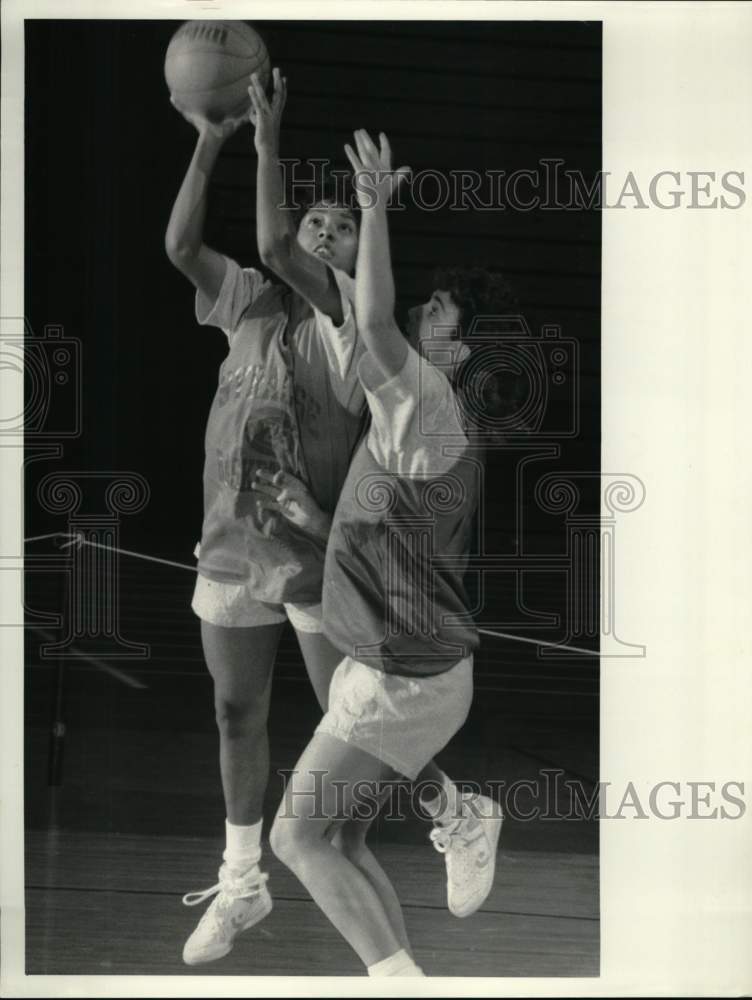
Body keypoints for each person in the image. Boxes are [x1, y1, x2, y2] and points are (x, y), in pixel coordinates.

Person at [267, 130, 516, 976]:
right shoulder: (408, 405)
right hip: (403, 663)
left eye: (444, 308)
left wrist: (373, 205)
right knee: (339, 836)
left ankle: (404, 967)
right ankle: (404, 965)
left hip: (403, 675)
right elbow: (304, 271)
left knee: (296, 836)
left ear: (459, 348)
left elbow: (369, 314)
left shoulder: (427, 397)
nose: (426, 306)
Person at [165, 69, 367, 965]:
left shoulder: (348, 315)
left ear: (361, 253)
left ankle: (446, 810)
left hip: (313, 549)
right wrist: (209, 143)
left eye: (341, 222)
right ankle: (242, 878)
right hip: (230, 546)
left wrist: (266, 138)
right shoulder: (249, 300)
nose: (322, 227)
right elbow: (179, 248)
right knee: (234, 712)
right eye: (315, 216)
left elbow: (278, 245)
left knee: (351, 718)